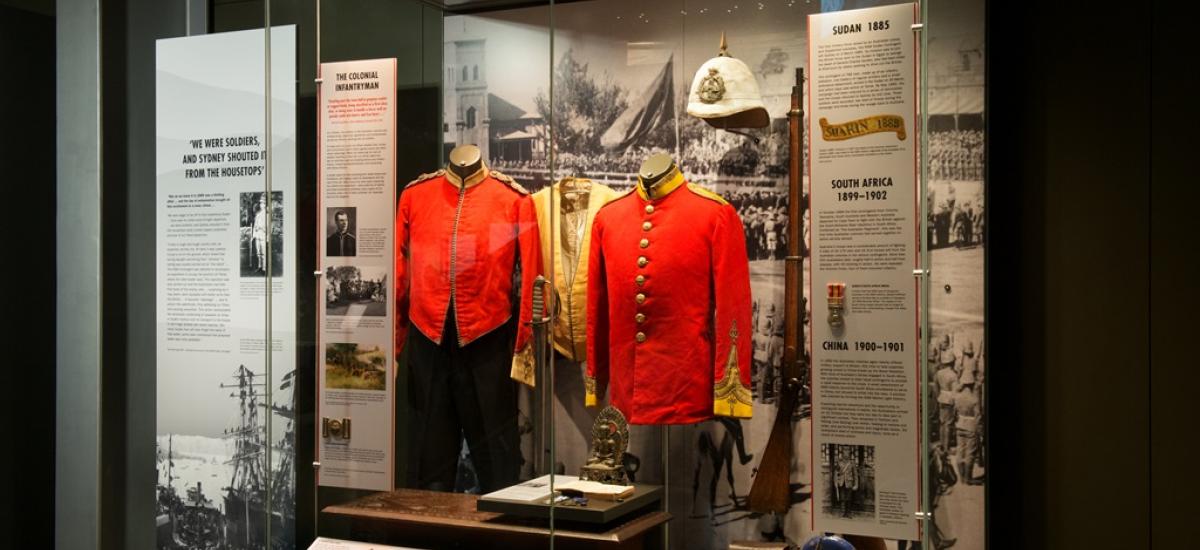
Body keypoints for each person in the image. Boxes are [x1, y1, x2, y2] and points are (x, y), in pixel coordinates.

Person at [954, 369, 982, 485]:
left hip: (960, 425)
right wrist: (980, 431)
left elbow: (955, 412)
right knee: (970, 453)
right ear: (972, 384)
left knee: (960, 451)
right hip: (971, 427)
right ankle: (968, 478)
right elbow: (978, 416)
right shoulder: (974, 399)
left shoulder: (958, 397)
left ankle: (961, 478)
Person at [251, 197, 268, 273]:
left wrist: (267, 237)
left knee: (263, 253)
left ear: (265, 205)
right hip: (258, 235)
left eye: (263, 203)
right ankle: (259, 266)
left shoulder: (267, 215)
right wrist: (253, 235)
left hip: (263, 235)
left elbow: (268, 227)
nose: (261, 204)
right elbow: (255, 226)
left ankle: (264, 268)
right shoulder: (258, 215)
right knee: (258, 253)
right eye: (260, 203)